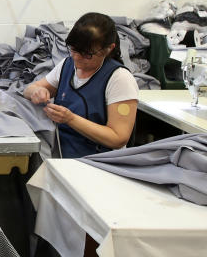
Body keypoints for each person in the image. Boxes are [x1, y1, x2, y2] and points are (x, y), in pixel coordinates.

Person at [22, 12, 138, 158]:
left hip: (99, 161)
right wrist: (36, 91)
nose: (76, 57)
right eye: (74, 49)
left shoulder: (120, 79)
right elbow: (29, 89)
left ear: (108, 49)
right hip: (63, 153)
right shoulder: (67, 65)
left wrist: (71, 119)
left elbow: (118, 138)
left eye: (87, 54)